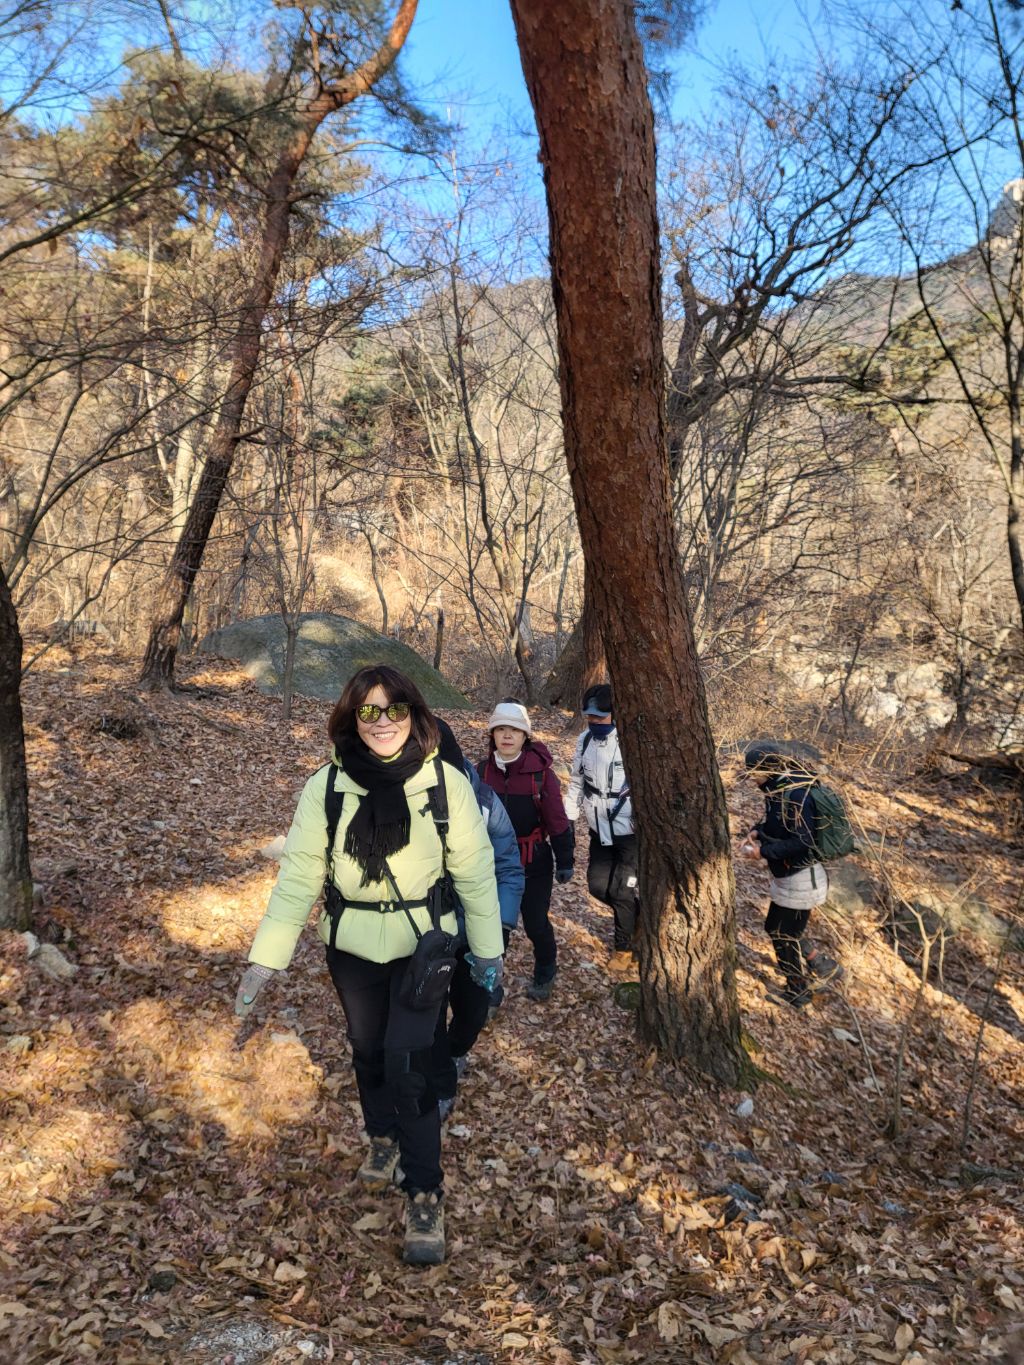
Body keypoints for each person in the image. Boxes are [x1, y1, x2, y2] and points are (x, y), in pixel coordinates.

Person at [233, 665, 504, 1267]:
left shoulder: (445, 784)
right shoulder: (327, 787)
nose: (383, 723)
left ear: (415, 714)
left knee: (411, 1065)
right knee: (367, 1050)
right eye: (369, 711)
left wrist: (488, 952)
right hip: (351, 947)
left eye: (395, 709)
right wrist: (266, 960)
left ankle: (424, 1192)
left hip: (422, 949)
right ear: (351, 718)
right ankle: (381, 1137)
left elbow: (475, 873)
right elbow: (299, 878)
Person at [432, 719, 524, 1120]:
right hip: (428, 932)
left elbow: (508, 868)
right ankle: (440, 1083)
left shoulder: (485, 803)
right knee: (428, 1012)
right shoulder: (408, 798)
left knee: (471, 1012)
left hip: (478, 932)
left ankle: (456, 1051)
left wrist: (500, 927)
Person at [477, 700, 575, 1001]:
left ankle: (546, 969)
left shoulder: (540, 775)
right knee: (494, 929)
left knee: (535, 923)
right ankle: (490, 989)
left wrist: (565, 859)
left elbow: (557, 820)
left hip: (534, 863)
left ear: (525, 736)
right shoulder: (481, 772)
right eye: (501, 730)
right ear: (492, 735)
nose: (507, 736)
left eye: (515, 731)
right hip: (492, 863)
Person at [740, 744, 843, 1008]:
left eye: (753, 772)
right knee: (779, 929)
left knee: (782, 933)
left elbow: (802, 841)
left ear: (767, 769)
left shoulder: (795, 794)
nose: (751, 777)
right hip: (789, 876)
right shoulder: (778, 790)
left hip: (802, 878)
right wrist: (757, 831)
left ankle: (798, 991)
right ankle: (821, 964)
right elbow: (779, 826)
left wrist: (763, 852)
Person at [564, 683, 638, 972]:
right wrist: (569, 818)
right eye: (590, 716)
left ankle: (625, 948)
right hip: (598, 830)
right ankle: (637, 918)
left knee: (622, 892)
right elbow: (576, 781)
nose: (594, 721)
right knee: (597, 886)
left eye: (600, 716)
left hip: (629, 834)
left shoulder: (630, 742)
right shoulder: (584, 741)